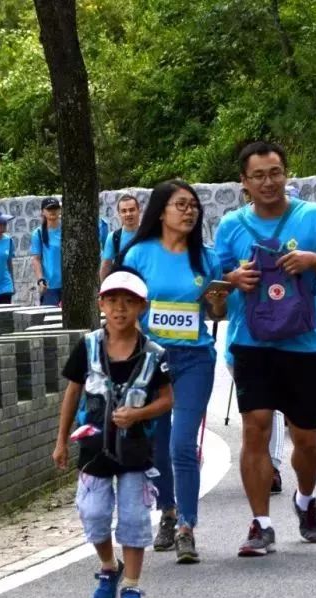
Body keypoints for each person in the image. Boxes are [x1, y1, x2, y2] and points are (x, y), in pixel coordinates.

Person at [216, 140, 316, 557]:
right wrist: (232, 280)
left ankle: (305, 501)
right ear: (244, 182)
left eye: (275, 173)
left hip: (303, 344)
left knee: (306, 439)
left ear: (286, 175)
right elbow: (216, 291)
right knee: (255, 428)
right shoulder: (230, 226)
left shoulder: (313, 218)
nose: (267, 182)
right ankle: (260, 523)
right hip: (250, 343)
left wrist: (312, 260)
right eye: (257, 176)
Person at [117, 180, 227, 564]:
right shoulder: (137, 253)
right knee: (158, 446)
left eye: (194, 206)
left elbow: (218, 314)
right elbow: (121, 305)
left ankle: (187, 527)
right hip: (151, 361)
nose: (189, 211)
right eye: (181, 204)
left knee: (183, 444)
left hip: (195, 358)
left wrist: (218, 301)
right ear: (161, 211)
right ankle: (167, 510)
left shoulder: (206, 257)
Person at [52, 270, 174, 598]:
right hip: (94, 449)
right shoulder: (88, 346)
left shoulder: (155, 353)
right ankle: (109, 567)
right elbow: (72, 392)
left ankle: (133, 586)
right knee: (93, 513)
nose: (120, 309)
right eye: (113, 301)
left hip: (136, 448)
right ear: (101, 304)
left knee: (135, 517)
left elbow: (167, 399)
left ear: (142, 307)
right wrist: (61, 441)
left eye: (129, 302)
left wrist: (139, 414)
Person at [99, 194, 142, 281]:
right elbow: (106, 267)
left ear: (139, 210)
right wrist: (105, 291)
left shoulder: (150, 234)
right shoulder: (113, 237)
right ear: (119, 213)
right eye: (124, 211)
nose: (128, 214)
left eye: (132, 210)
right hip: (124, 289)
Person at [31, 197, 63, 306]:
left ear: (60, 210)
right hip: (49, 286)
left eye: (55, 208)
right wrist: (40, 280)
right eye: (49, 209)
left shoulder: (67, 230)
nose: (52, 211)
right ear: (43, 212)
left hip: (68, 285)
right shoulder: (38, 233)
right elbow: (36, 259)